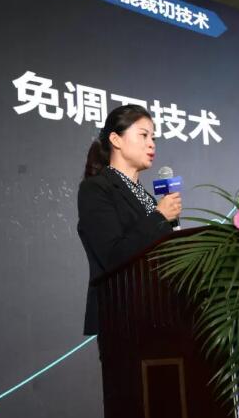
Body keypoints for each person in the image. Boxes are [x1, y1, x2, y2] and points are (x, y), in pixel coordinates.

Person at [76, 104, 181, 404]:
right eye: (144, 135)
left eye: (154, 138)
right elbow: (113, 255)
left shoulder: (146, 197)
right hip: (124, 320)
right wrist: (159, 217)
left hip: (164, 315)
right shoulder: (96, 189)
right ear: (116, 139)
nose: (152, 144)